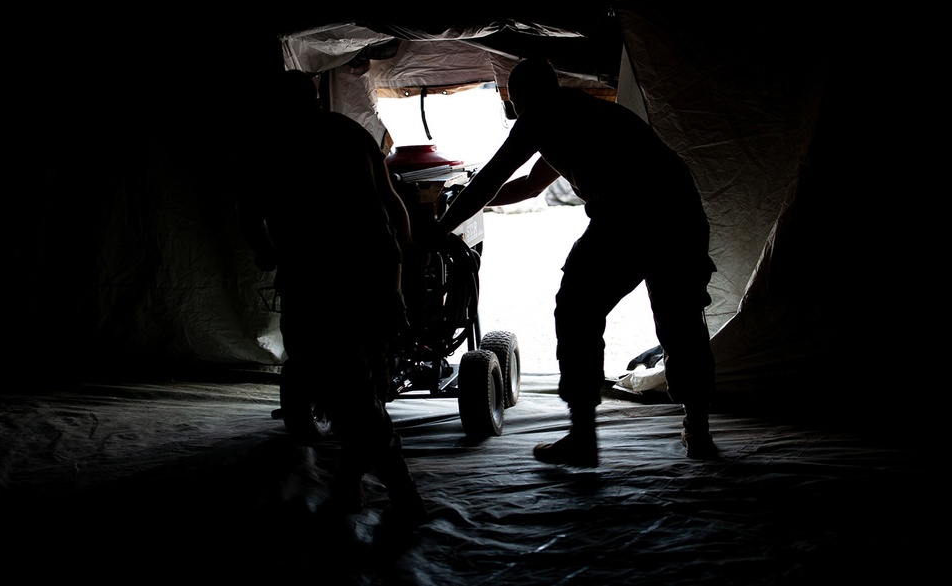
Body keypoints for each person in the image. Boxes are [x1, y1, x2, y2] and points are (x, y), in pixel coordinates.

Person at [429, 58, 718, 464]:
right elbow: (529, 187)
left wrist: (438, 228)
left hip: (630, 215)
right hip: (681, 213)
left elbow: (490, 179)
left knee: (578, 311)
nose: (515, 113)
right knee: (681, 320)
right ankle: (699, 432)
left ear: (521, 99)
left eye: (514, 104)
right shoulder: (583, 113)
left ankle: (582, 436)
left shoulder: (541, 116)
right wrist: (469, 205)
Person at [237, 69, 429, 527]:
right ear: (315, 100)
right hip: (374, 273)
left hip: (319, 281)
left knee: (349, 394)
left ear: (274, 108)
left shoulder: (270, 146)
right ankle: (352, 483)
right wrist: (402, 261)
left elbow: (250, 215)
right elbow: (390, 201)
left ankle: (401, 492)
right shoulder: (348, 131)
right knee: (364, 387)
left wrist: (267, 251)